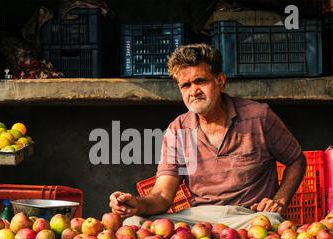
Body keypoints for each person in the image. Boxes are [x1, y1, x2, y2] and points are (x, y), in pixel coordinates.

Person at [109, 43, 306, 229]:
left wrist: (280, 200)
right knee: (133, 223)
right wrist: (136, 204)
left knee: (271, 222)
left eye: (200, 81)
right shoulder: (178, 130)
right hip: (199, 220)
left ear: (220, 81)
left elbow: (296, 159)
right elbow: (161, 195)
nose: (193, 91)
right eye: (185, 85)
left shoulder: (259, 116)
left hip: (248, 218)